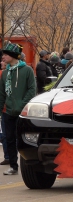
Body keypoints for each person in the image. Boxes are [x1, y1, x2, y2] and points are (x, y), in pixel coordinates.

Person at [0, 42, 36, 175]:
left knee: (24, 139)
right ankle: (13, 166)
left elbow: (32, 90)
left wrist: (22, 105)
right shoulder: (5, 73)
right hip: (8, 112)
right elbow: (2, 93)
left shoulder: (27, 70)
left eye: (5, 54)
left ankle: (28, 165)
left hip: (23, 112)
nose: (3, 57)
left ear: (13, 55)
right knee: (9, 139)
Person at [0, 57, 9, 165]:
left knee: (6, 134)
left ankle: (8, 156)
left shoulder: (2, 74)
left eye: (3, 61)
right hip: (6, 108)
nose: (1, 63)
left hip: (6, 108)